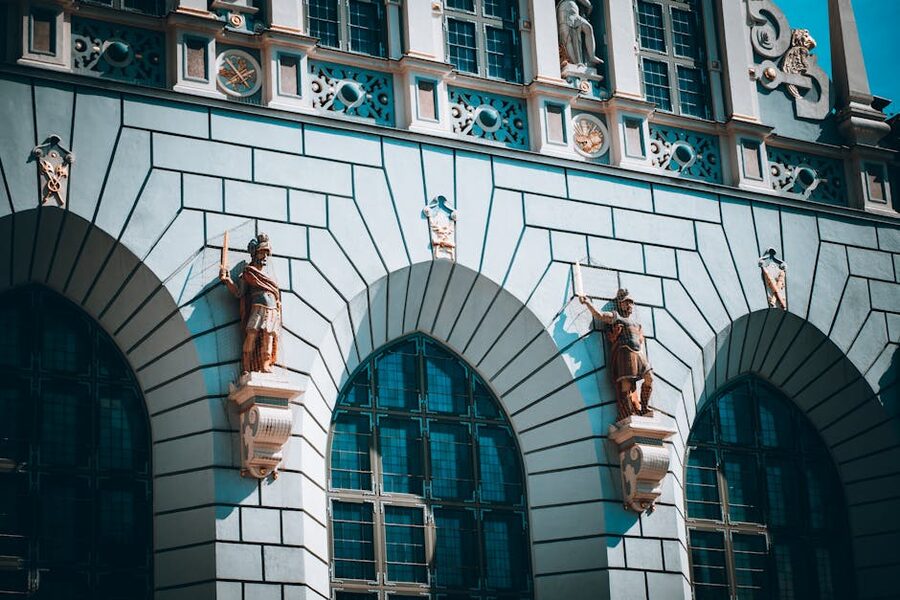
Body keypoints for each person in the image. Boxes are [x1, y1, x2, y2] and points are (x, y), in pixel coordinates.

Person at [579, 288, 653, 420]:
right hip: (625, 354)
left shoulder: (637, 323)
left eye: (631, 302)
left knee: (649, 378)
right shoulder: (616, 316)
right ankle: (625, 413)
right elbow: (600, 316)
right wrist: (588, 303)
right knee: (625, 385)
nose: (629, 305)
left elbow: (640, 339)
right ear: (620, 303)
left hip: (638, 354)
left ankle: (644, 407)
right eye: (626, 302)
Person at [220, 233, 281, 374]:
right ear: (254, 253)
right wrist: (227, 280)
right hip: (257, 308)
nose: (265, 257)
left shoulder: (268, 276)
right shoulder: (248, 273)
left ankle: (265, 365)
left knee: (268, 336)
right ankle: (247, 366)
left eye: (267, 253)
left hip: (271, 310)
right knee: (252, 335)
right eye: (262, 253)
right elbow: (239, 293)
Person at [557, 0, 603, 67]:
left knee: (588, 28)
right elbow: (586, 2)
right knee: (568, 38)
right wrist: (589, 6)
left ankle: (592, 56)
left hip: (574, 13)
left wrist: (588, 7)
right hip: (564, 11)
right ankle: (575, 62)